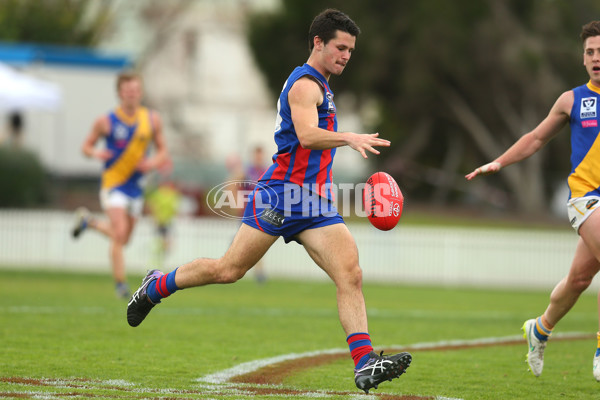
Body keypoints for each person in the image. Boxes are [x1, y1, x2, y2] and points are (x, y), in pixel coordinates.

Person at [127, 9, 411, 393]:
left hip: (313, 203)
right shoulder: (304, 86)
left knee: (351, 274)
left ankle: (364, 364)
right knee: (229, 270)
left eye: (350, 50)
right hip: (279, 195)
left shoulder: (323, 86)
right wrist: (349, 137)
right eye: (340, 47)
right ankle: (155, 286)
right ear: (318, 43)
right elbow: (308, 136)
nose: (346, 55)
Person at [466, 20, 600, 380]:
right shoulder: (572, 99)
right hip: (586, 200)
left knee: (578, 280)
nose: (596, 58)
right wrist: (499, 160)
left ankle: (539, 329)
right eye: (590, 52)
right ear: (582, 57)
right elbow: (536, 138)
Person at [71, 71, 169, 299]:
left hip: (136, 187)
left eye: (135, 91)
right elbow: (85, 147)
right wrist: (96, 153)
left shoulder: (152, 120)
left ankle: (89, 222)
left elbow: (163, 151)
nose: (131, 95)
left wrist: (151, 162)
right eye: (127, 91)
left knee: (124, 239)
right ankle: (121, 286)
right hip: (113, 184)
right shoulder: (106, 122)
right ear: (119, 94)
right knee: (119, 233)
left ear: (141, 93)